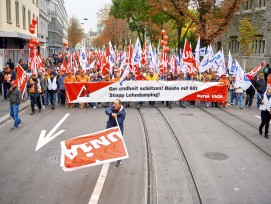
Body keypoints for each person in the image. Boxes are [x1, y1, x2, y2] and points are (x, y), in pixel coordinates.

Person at [105, 99, 126, 167]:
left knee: (117, 145)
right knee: (108, 143)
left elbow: (119, 122)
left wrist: (115, 117)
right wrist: (111, 114)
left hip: (117, 131)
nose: (114, 105)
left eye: (116, 104)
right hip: (110, 128)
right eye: (114, 103)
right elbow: (107, 110)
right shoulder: (113, 108)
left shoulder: (122, 113)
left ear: (120, 105)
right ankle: (108, 156)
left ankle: (119, 160)